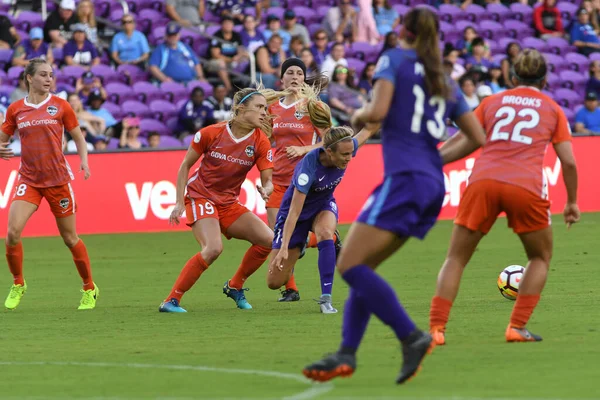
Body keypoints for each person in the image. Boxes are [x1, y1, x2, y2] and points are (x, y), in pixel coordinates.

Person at [303, 7, 485, 384]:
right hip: (432, 184)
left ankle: (411, 336)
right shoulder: (443, 78)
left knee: (349, 266)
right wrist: (434, 159)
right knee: (362, 267)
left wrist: (357, 116)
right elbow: (477, 137)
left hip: (404, 180)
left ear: (402, 30)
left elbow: (379, 111)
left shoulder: (394, 59)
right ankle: (347, 353)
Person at [429, 49, 580, 345]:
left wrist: (432, 162)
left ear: (512, 77)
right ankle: (516, 327)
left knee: (456, 258)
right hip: (525, 185)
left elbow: (467, 141)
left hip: (483, 180)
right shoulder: (552, 109)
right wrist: (572, 202)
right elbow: (570, 161)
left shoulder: (491, 102)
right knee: (539, 257)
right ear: (546, 79)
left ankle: (436, 330)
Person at [158, 87, 281, 313]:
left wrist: (266, 189)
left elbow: (268, 179)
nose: (264, 113)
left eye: (266, 108)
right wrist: (178, 202)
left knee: (268, 240)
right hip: (200, 196)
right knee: (213, 248)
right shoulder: (210, 133)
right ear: (241, 109)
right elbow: (185, 166)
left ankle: (235, 285)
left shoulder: (261, 142)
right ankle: (171, 300)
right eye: (259, 107)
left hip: (228, 203)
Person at [0, 58, 98, 311]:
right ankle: (18, 283)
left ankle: (89, 288)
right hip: (29, 179)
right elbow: (3, 138)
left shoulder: (60, 106)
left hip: (58, 181)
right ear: (30, 78)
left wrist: (84, 161)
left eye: (51, 75)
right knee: (11, 233)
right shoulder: (16, 109)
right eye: (43, 74)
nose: (49, 79)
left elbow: (78, 135)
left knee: (69, 238)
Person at [267, 122, 379, 313]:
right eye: (344, 155)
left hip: (323, 205)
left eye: (351, 153)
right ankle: (303, 242)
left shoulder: (345, 145)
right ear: (328, 151)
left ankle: (325, 298)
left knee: (326, 232)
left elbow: (368, 130)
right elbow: (294, 212)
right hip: (297, 214)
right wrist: (284, 247)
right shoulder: (308, 169)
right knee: (275, 281)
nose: (349, 158)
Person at [265, 59, 336, 304]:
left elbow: (330, 142)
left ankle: (329, 239)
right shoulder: (271, 106)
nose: (295, 76)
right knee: (278, 239)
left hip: (307, 184)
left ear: (304, 79)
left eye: (299, 73)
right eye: (290, 72)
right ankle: (290, 288)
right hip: (278, 182)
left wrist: (305, 149)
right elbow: (262, 142)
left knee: (299, 234)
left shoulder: (312, 106)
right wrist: (264, 179)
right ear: (282, 78)